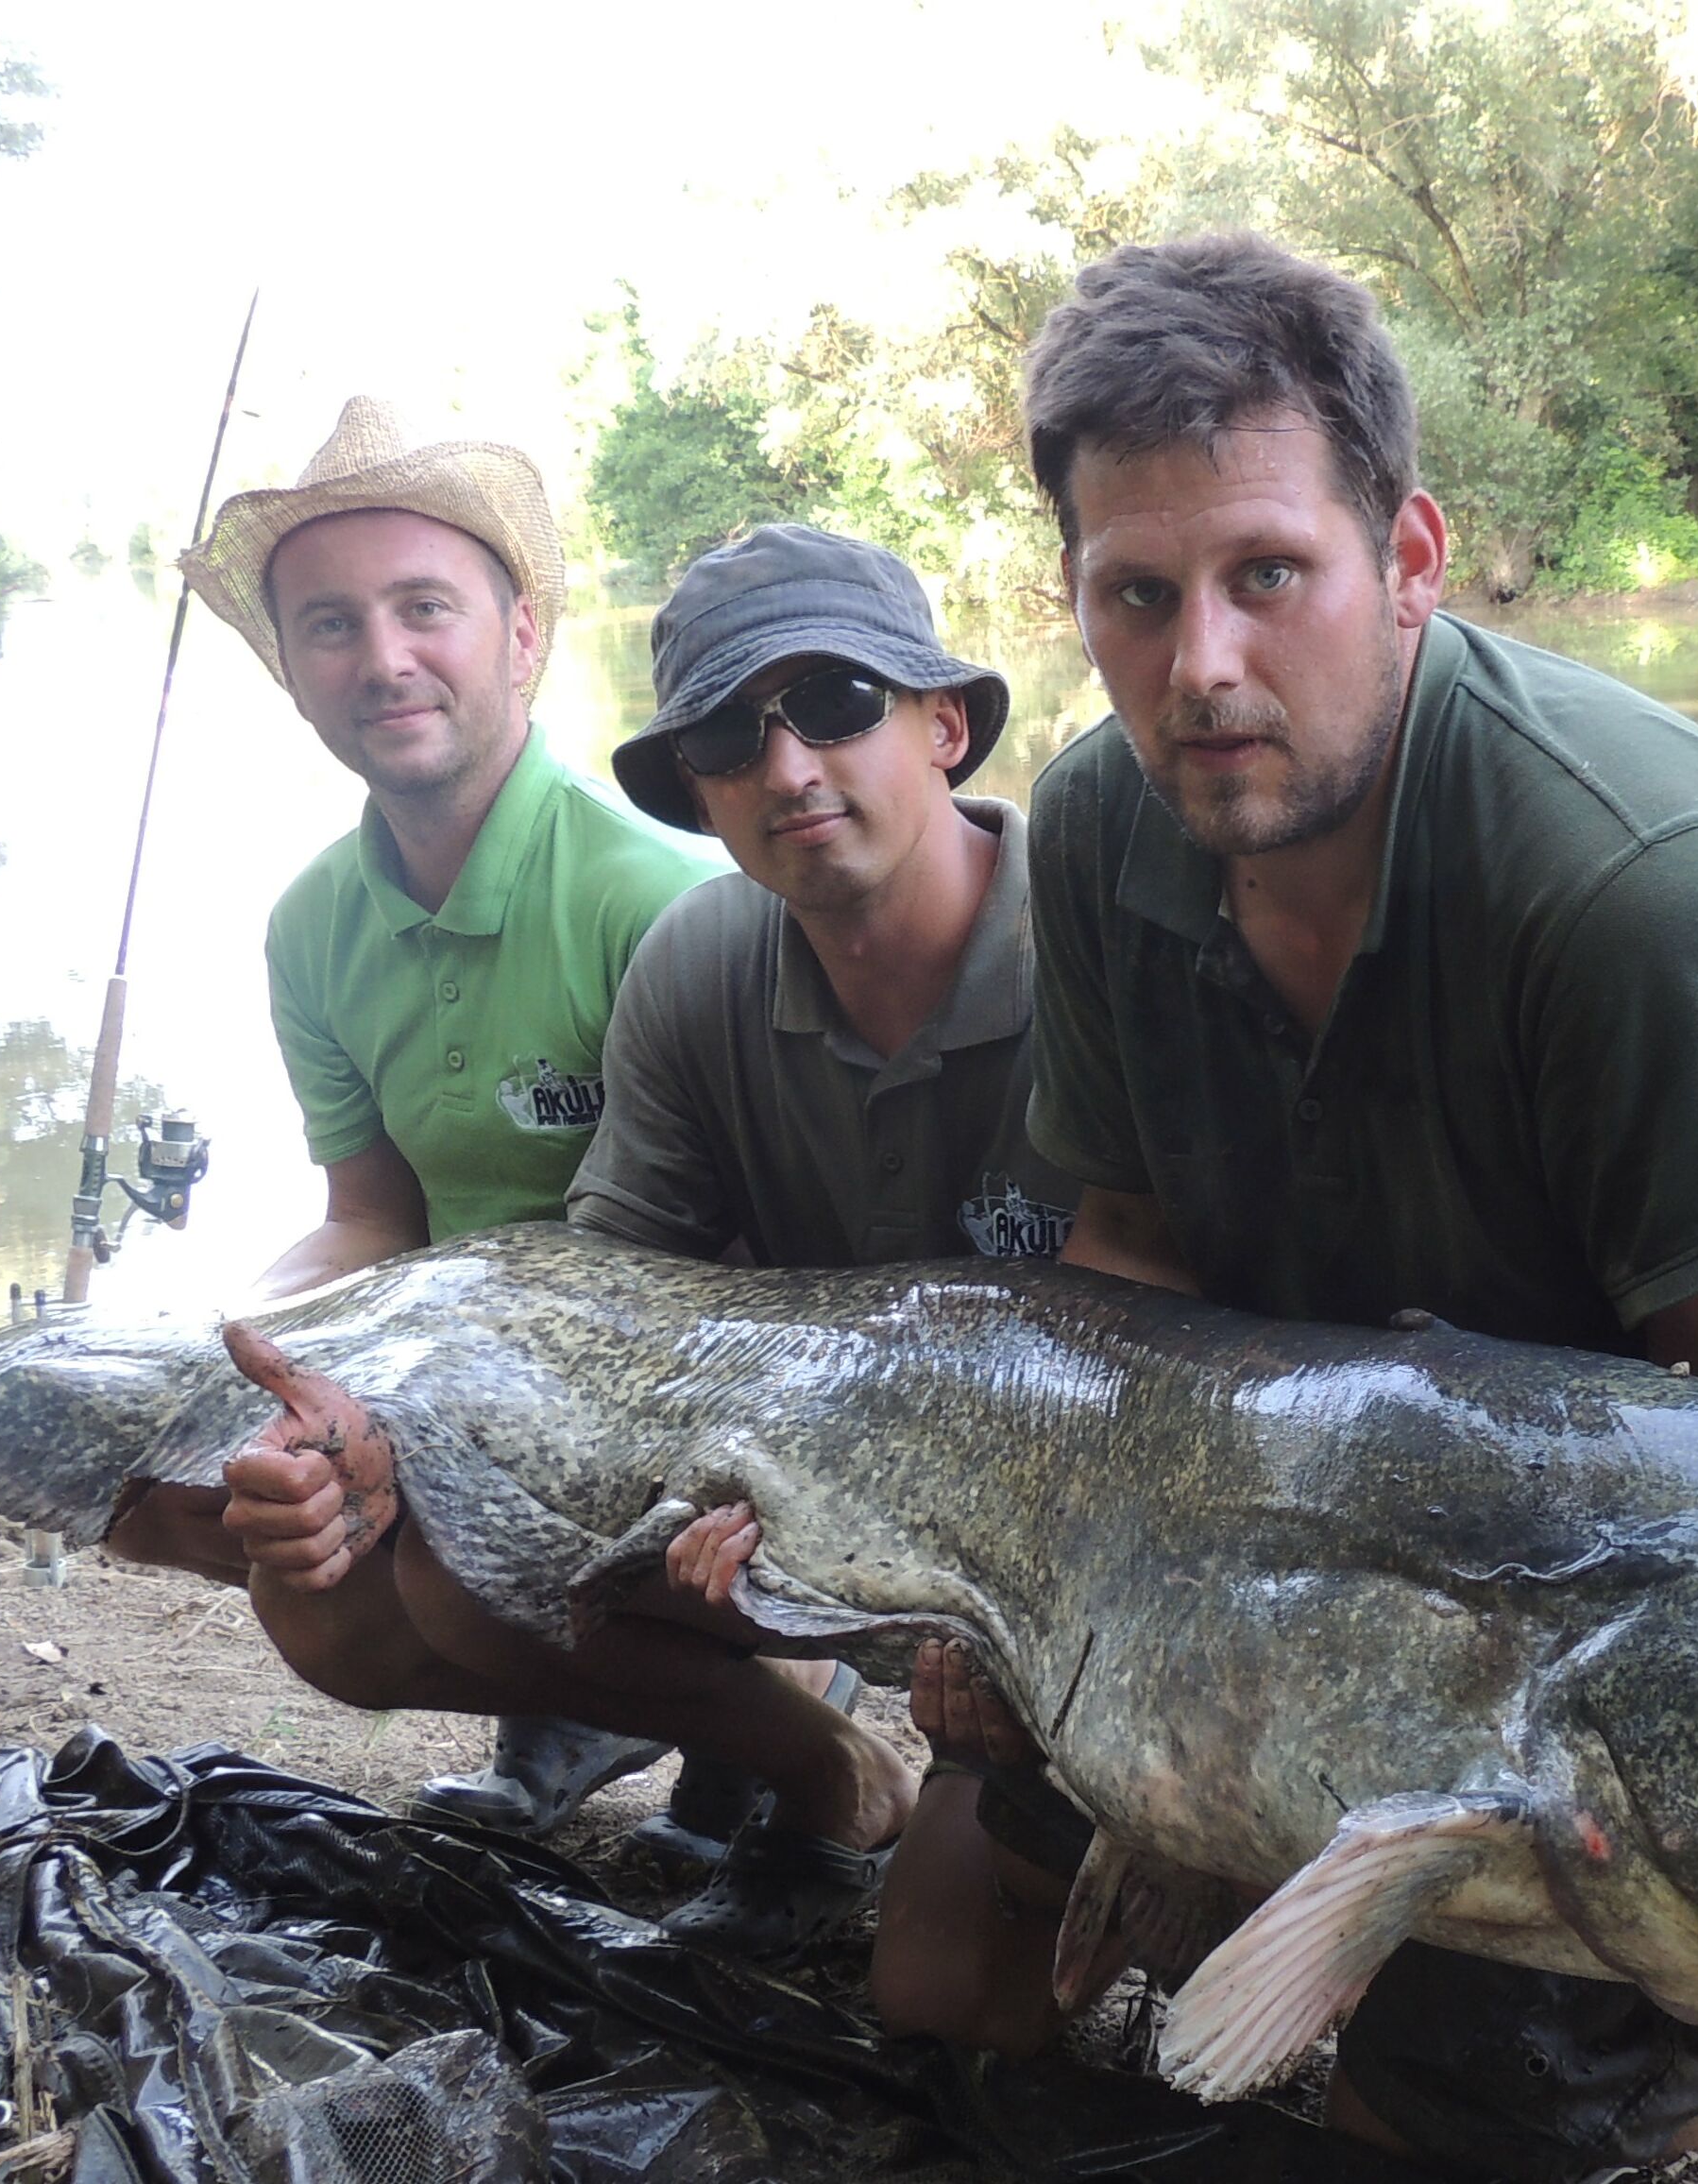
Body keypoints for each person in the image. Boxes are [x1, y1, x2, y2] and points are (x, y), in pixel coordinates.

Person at [979, 229, 1698, 2182]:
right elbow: (1127, 1282)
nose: (1205, 667)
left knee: (1457, 2116)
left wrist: (1426, 1784)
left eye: (1271, 577)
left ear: (1409, 559)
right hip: (1345, 1495)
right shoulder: (1095, 829)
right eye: (1136, 596)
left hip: (1695, 1560)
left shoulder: (1643, 892)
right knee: (952, 1971)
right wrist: (1066, 1618)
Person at [114, 399, 717, 1841]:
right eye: (330, 626)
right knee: (157, 1486)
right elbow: (370, 1218)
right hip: (443, 1362)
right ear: (296, 680)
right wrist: (220, 1355)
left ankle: (780, 1751)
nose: (382, 659)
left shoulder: (664, 900)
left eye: (423, 608)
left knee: (419, 1542)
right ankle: (574, 1703)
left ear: (519, 636)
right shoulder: (312, 923)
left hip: (674, 1379)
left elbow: (757, 1264)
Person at [565, 521, 1080, 1952]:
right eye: (732, 737)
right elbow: (611, 1306)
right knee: (427, 1583)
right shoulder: (692, 962)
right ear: (697, 790)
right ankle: (815, 1754)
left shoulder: (1105, 951)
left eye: (836, 706)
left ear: (944, 724)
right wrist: (690, 1498)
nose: (788, 768)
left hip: (1059, 1565)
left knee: (936, 1993)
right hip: (794, 1504)